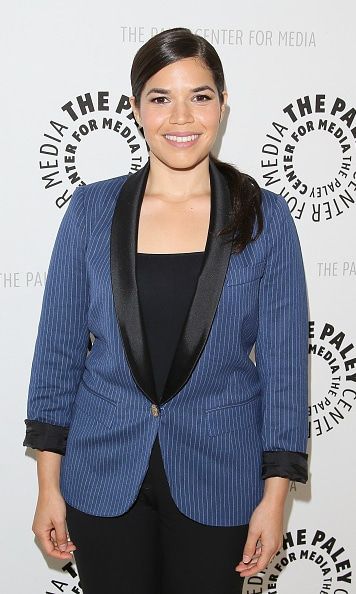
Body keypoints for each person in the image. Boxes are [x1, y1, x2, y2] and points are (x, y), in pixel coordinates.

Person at [23, 27, 309, 594]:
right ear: (136, 108)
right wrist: (48, 487)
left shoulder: (264, 219)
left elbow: (284, 370)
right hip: (102, 475)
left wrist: (275, 499)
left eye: (200, 96)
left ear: (223, 105)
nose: (181, 116)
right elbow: (56, 354)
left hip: (221, 478)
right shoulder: (90, 211)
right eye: (161, 98)